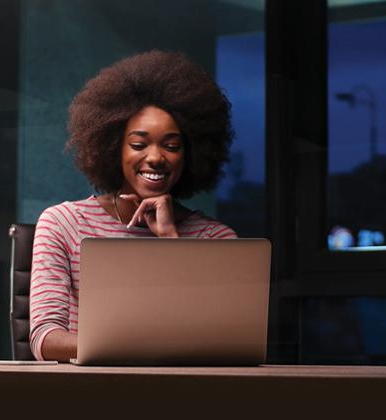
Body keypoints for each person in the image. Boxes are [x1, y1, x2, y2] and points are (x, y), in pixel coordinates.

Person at [30, 50, 237, 362]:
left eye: (171, 146)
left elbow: (224, 341)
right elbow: (46, 339)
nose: (155, 157)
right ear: (113, 148)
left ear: (191, 153)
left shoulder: (216, 240)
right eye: (139, 144)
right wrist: (146, 344)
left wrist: (170, 240)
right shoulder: (63, 223)